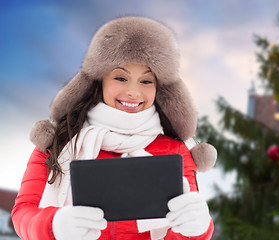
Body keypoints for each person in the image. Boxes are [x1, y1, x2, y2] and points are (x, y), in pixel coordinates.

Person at [12, 16, 217, 240]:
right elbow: (23, 212)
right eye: (120, 77)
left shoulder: (175, 151)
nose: (133, 92)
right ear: (99, 81)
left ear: (159, 88)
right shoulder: (59, 143)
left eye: (146, 81)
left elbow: (184, 232)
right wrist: (54, 225)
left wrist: (198, 228)